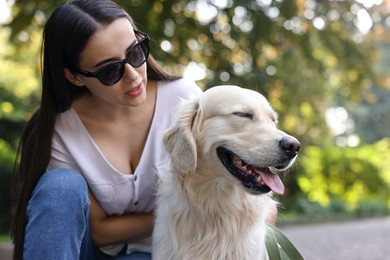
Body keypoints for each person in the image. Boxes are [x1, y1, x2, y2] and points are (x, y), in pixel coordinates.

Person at [10, 0, 202, 259]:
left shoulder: (185, 101)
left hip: (163, 250)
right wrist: (190, 212)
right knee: (60, 186)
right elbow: (100, 232)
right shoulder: (60, 132)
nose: (133, 76)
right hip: (86, 251)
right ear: (75, 77)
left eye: (135, 53)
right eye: (110, 71)